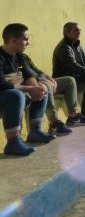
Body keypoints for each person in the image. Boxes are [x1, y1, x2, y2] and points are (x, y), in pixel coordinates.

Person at [1, 23, 54, 155]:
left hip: (13, 98)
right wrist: (29, 89)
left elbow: (29, 75)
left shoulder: (20, 56)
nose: (28, 43)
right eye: (25, 39)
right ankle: (12, 143)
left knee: (41, 88)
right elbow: (2, 84)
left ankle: (34, 132)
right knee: (16, 95)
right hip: (5, 99)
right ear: (13, 40)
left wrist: (37, 89)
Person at [20, 49, 85, 135]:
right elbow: (27, 75)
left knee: (70, 80)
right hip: (30, 86)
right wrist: (43, 79)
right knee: (46, 86)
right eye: (25, 39)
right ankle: (54, 123)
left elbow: (36, 70)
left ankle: (73, 116)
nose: (27, 43)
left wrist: (48, 77)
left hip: (40, 80)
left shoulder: (24, 56)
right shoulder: (14, 58)